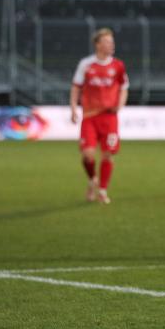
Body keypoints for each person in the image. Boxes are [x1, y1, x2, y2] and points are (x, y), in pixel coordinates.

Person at [70, 28, 129, 205]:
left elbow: (124, 87)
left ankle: (102, 190)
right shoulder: (86, 64)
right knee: (88, 155)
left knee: (108, 154)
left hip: (109, 118)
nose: (112, 45)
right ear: (98, 44)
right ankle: (92, 179)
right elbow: (76, 86)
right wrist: (73, 108)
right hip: (90, 116)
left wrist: (120, 105)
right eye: (107, 42)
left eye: (112, 41)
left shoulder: (118, 65)